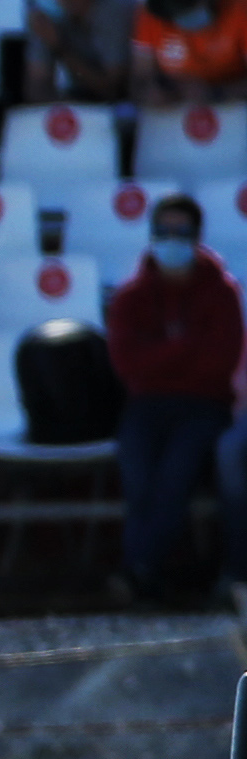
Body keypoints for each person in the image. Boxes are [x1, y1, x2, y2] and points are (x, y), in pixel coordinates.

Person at [107, 189, 241, 600]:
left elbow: (220, 362)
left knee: (175, 474)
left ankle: (138, 570)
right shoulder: (130, 297)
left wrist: (160, 355)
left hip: (205, 406)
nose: (171, 238)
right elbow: (127, 364)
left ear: (197, 236)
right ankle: (144, 572)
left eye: (181, 231)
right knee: (139, 478)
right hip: (146, 405)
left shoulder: (221, 292)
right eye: (162, 230)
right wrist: (184, 348)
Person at [20, 0, 134, 105]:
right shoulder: (46, 17)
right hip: (80, 102)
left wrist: (59, 48)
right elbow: (37, 88)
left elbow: (113, 90)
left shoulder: (116, 10)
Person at [136, 0, 247, 110]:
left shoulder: (241, 4)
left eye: (190, 8)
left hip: (236, 111)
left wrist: (216, 93)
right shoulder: (155, 9)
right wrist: (156, 93)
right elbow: (139, 80)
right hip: (174, 115)